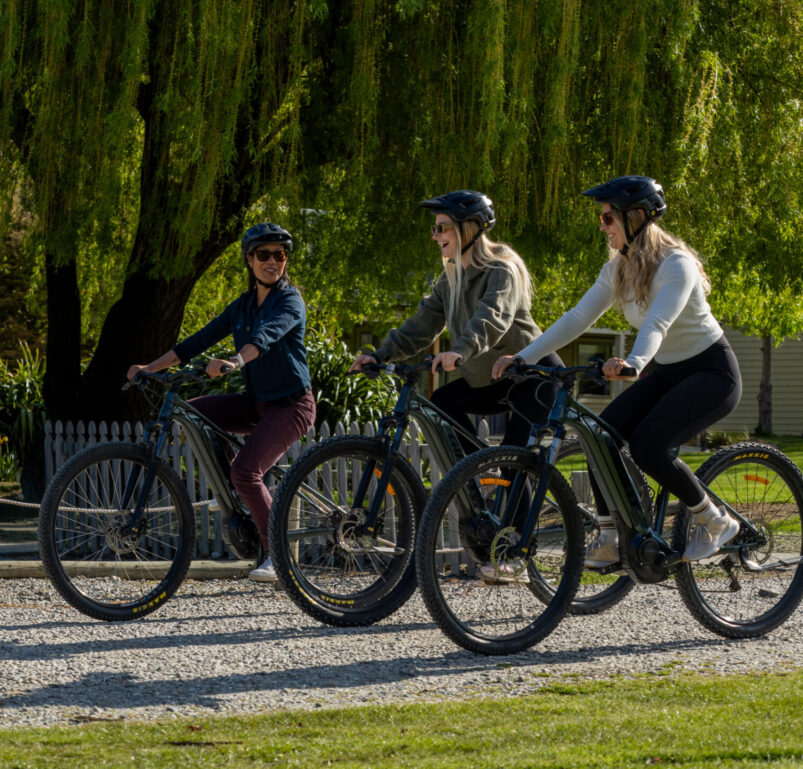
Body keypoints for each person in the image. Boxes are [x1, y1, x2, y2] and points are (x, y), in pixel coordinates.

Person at [493, 176, 743, 564]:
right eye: (602, 216)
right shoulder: (618, 269)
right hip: (667, 372)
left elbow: (657, 323)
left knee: (648, 447)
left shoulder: (676, 264)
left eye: (608, 217)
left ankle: (713, 520)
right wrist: (524, 357)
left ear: (638, 217)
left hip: (711, 373)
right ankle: (611, 533)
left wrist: (634, 363)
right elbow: (577, 318)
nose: (602, 224)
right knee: (600, 436)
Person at [127, 222, 315, 583]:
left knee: (246, 471)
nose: (272, 261)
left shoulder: (290, 301)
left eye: (279, 255)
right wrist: (149, 368)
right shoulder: (242, 306)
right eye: (264, 255)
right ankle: (234, 492)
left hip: (292, 407)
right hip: (257, 402)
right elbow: (196, 342)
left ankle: (278, 557)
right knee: (195, 412)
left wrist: (236, 361)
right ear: (249, 260)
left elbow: (267, 335)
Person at [349, 190, 562, 458]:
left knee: (513, 461)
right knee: (440, 404)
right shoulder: (451, 277)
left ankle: (495, 470)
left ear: (469, 228)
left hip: (533, 374)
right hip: (493, 379)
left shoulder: (502, 269)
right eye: (434, 228)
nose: (435, 235)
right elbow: (422, 324)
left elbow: (491, 317)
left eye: (442, 228)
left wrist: (460, 350)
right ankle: (478, 468)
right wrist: (379, 355)